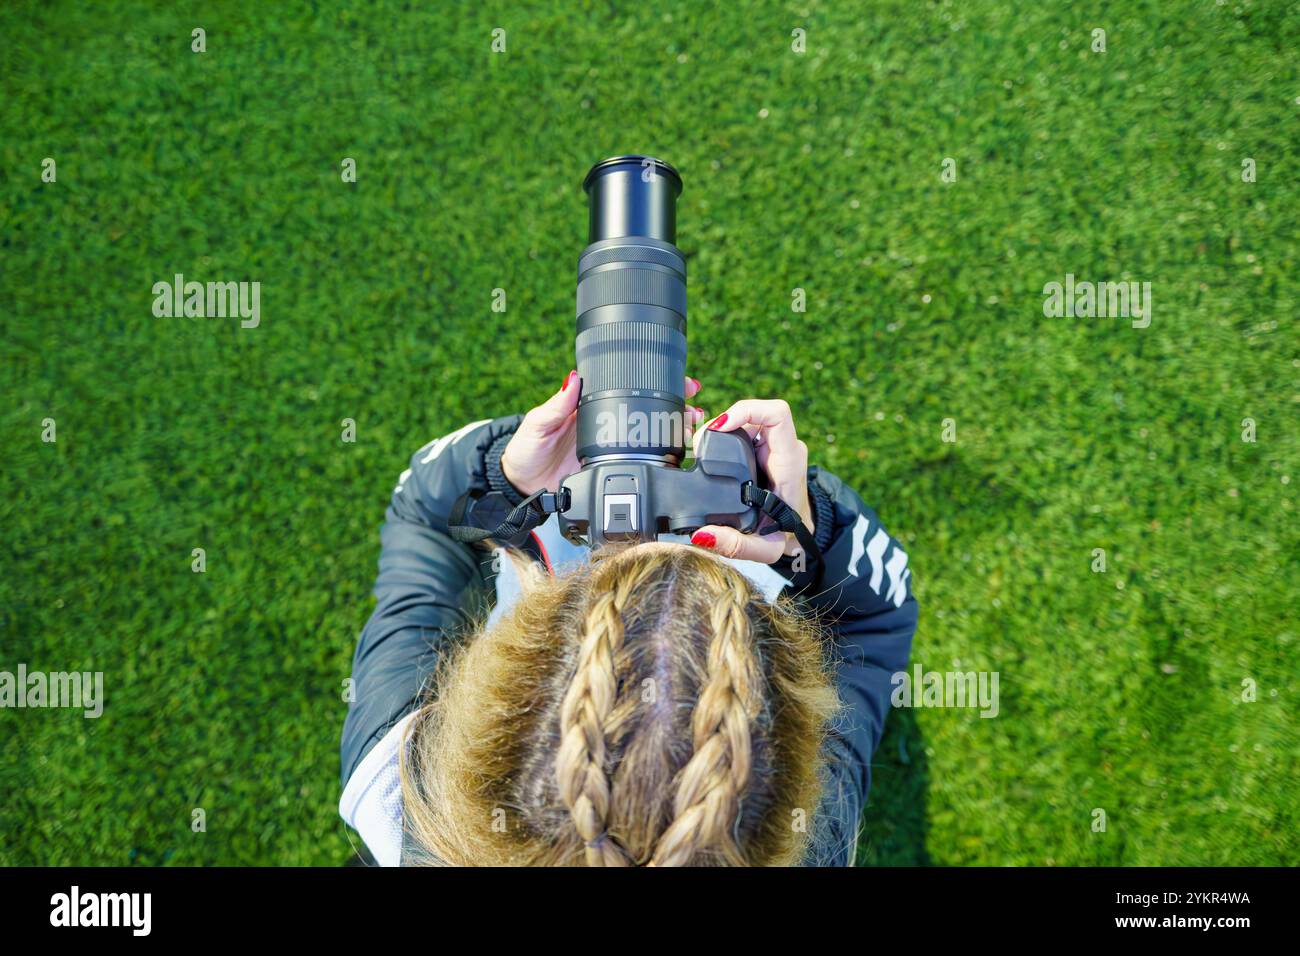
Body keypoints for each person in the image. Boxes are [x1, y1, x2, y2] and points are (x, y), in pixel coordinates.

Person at [339, 371, 917, 866]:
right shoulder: (813, 826)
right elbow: (876, 622)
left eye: (585, 570)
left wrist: (501, 478)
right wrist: (808, 536)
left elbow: (421, 510)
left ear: (480, 697)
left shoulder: (395, 785)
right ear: (803, 735)